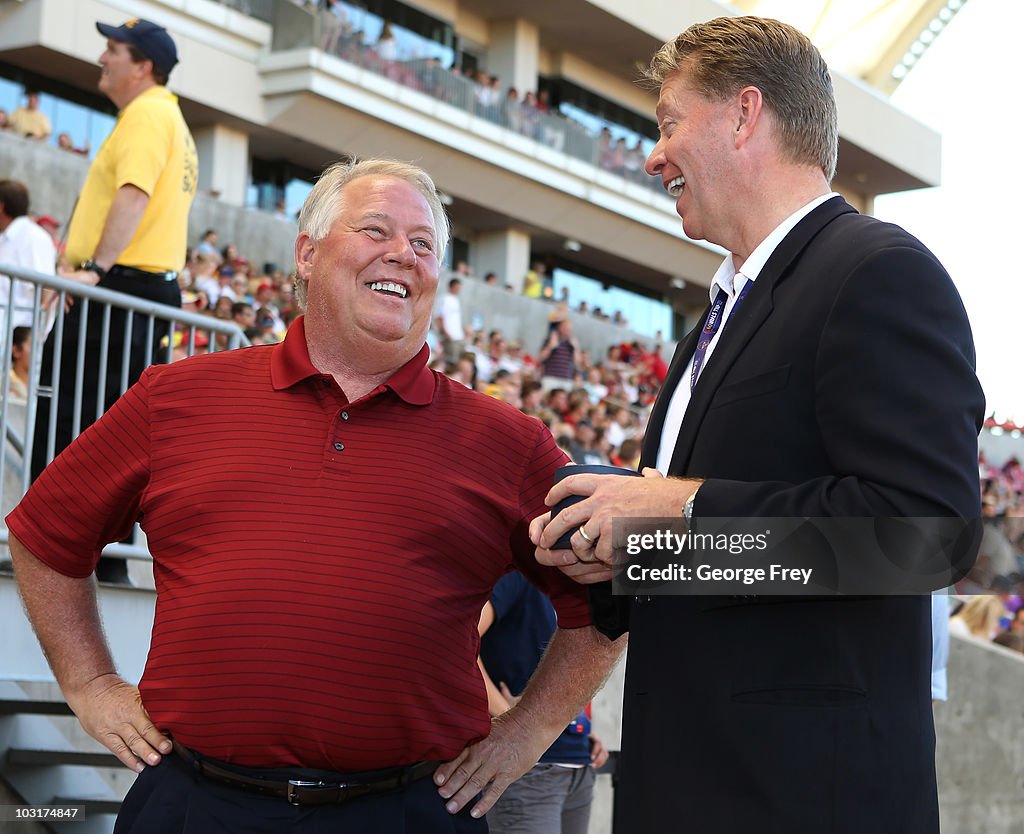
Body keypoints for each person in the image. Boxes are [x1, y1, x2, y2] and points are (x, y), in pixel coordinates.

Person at [7, 158, 624, 832]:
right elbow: (45, 537)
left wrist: (528, 732)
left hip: (408, 813)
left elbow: (606, 602)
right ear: (307, 253)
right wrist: (90, 684)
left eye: (423, 244)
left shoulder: (509, 442)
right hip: (195, 804)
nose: (403, 253)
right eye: (376, 230)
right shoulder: (176, 397)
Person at [533, 16, 984, 833]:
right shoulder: (718, 316)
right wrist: (622, 551)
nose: (653, 154)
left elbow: (925, 536)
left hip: (805, 802)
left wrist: (679, 506)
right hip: (687, 788)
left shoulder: (877, 271)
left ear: (744, 114)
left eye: (669, 122)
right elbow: (736, 557)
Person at [30, 18, 197, 585]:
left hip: (120, 287)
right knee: (116, 432)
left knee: (70, 419)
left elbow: (133, 194)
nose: (102, 57)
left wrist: (93, 270)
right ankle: (103, 561)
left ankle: (52, 553)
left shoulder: (148, 115)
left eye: (112, 49)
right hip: (143, 290)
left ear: (142, 66)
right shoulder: (168, 117)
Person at [479, 572, 608, 834]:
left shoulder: (578, 579)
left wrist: (579, 726)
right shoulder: (517, 575)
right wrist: (512, 717)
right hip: (528, 769)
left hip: (577, 767)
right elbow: (459, 643)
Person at [0, 180, 57, 330]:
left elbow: (47, 289)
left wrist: (33, 338)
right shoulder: (5, 237)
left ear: (1, 206)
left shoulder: (34, 237)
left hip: (15, 336)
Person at [436, 276, 464, 367]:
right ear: (451, 286)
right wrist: (445, 333)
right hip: (450, 336)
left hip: (458, 336)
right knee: (450, 363)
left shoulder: (456, 300)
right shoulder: (444, 299)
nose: (458, 289)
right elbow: (439, 317)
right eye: (456, 287)